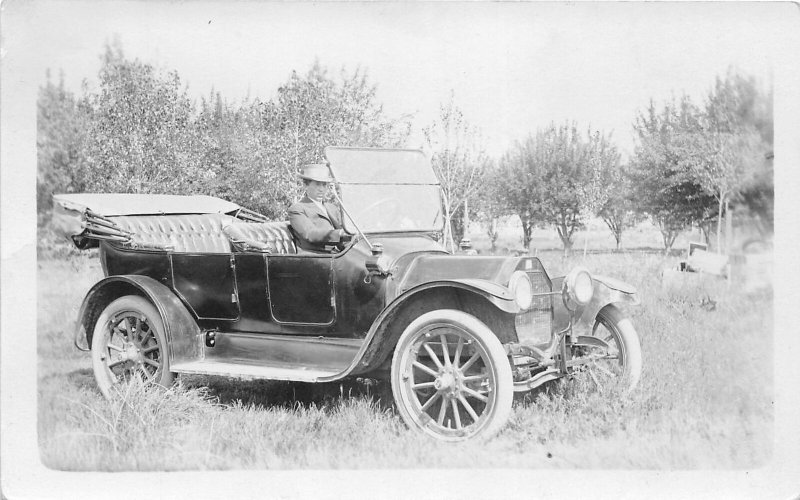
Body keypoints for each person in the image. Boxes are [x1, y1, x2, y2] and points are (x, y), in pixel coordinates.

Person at [288, 164, 350, 253]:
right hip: (316, 256)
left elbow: (345, 229)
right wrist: (339, 234)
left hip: (338, 255)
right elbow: (310, 234)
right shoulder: (297, 209)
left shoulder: (332, 208)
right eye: (317, 184)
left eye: (324, 185)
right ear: (306, 185)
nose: (321, 189)